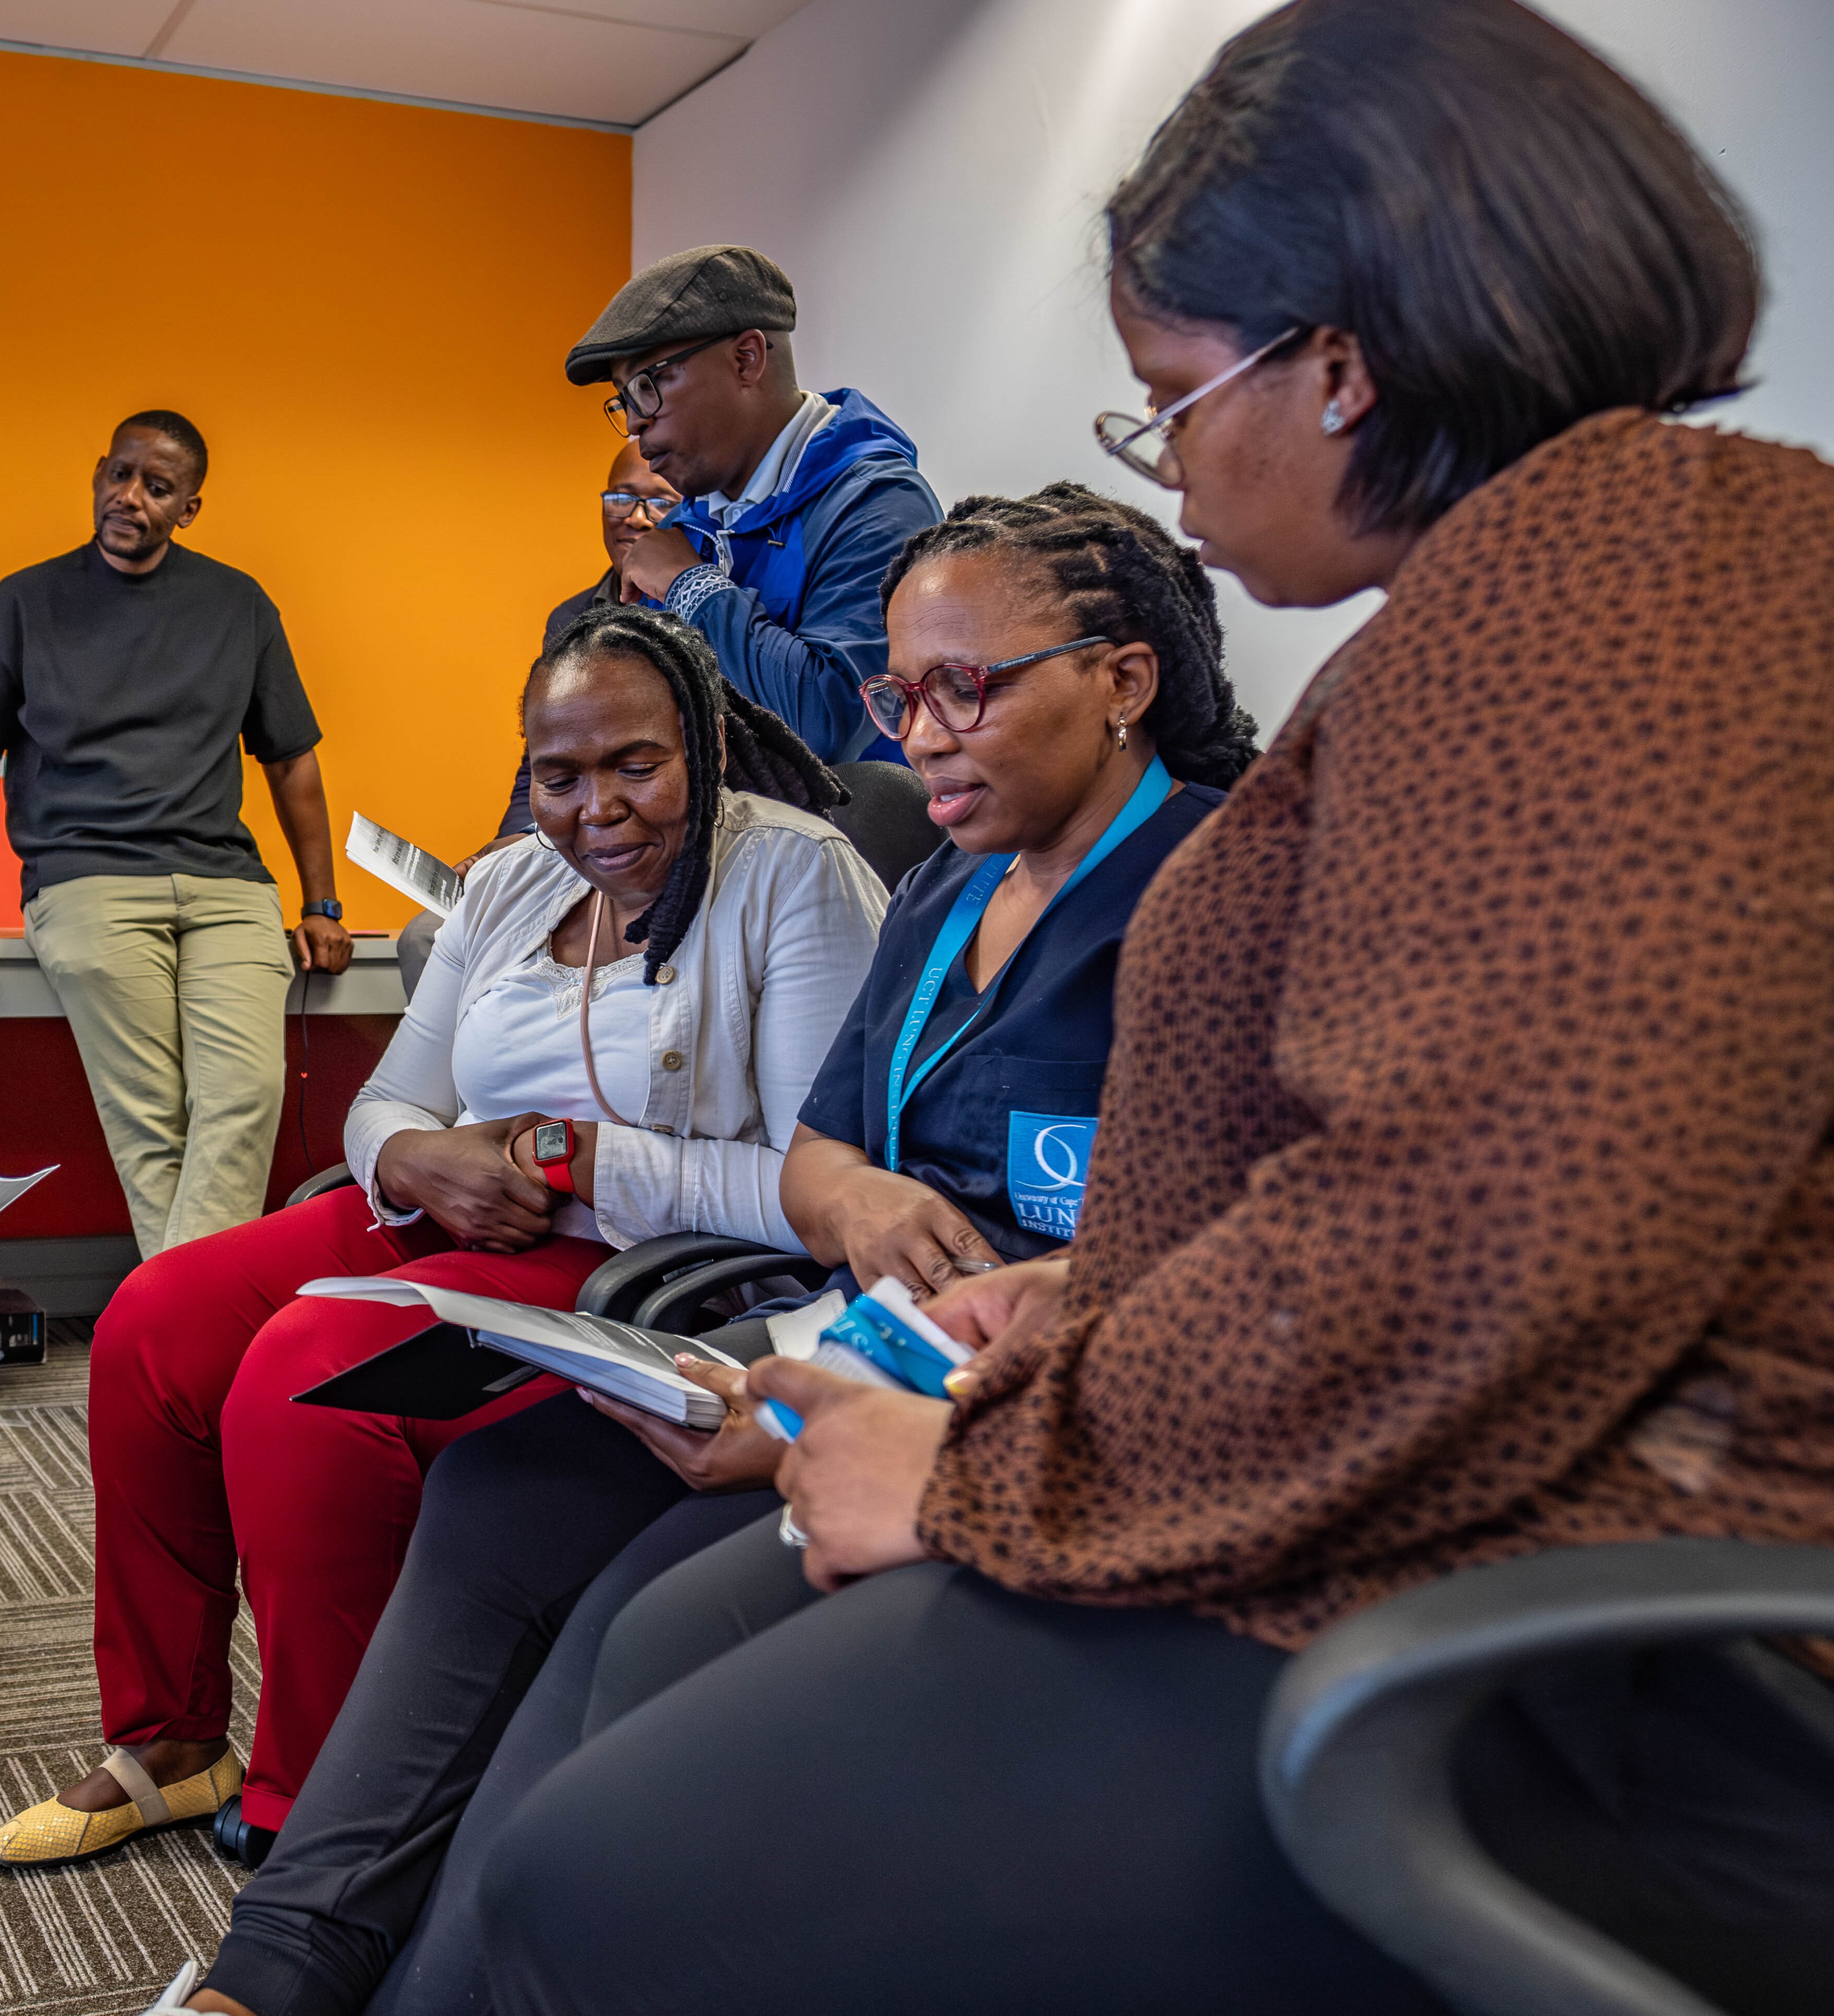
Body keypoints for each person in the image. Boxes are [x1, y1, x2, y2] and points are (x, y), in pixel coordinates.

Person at [465, 5, 1834, 2011]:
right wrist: (1097, 1292)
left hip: (1581, 1649)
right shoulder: (1517, 604)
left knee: (597, 1882)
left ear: (1339, 368)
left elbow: (1471, 1243)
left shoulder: (1602, 602)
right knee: (656, 1666)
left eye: (1170, 402)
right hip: (1446, 1507)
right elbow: (1432, 1151)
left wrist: (973, 1472)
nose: (1168, 468)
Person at [170, 486, 1260, 2016]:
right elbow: (817, 1151)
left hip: (1003, 1410)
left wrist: (826, 1373)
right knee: (497, 1486)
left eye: (971, 687)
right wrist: (855, 1223)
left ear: (1120, 680)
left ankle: (441, 1990)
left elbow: (1203, 1270)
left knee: (639, 1623)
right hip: (840, 1332)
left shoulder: (1215, 896)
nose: (926, 734)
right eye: (902, 694)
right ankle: (271, 1971)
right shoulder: (950, 887)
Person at [0, 605, 888, 1872]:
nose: (595, 809)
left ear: (704, 744)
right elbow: (389, 1100)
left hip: (629, 1253)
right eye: (557, 775)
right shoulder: (515, 879)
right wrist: (417, 1158)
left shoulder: (790, 874)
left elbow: (818, 1181)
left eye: (635, 763)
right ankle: (173, 1743)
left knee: (310, 1371)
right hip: (449, 1209)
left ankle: (331, 1812)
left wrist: (576, 1158)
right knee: (153, 1322)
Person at [0, 411, 352, 1258]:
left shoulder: (238, 604)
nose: (129, 497)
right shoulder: (23, 603)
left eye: (157, 486)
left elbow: (293, 761)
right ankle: (205, 1337)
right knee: (151, 1119)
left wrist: (321, 900)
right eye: (120, 474)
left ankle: (181, 1332)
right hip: (87, 882)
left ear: (188, 507)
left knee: (246, 1095)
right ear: (99, 474)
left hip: (227, 887)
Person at [569, 243, 941, 765]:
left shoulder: (878, 506)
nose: (633, 423)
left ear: (747, 359)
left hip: (847, 843)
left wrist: (690, 586)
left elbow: (827, 725)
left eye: (648, 385)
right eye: (623, 400)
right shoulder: (688, 526)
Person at [395, 442, 681, 1002]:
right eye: (621, 498)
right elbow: (545, 761)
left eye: (661, 503)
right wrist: (514, 838)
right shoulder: (572, 619)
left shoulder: (706, 607)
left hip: (650, 850)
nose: (637, 518)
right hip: (566, 843)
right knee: (425, 939)